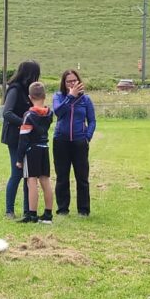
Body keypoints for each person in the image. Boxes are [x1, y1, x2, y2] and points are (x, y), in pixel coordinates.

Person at [52, 69, 96, 216]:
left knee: (82, 177)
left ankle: (83, 210)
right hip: (61, 141)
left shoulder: (86, 100)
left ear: (79, 81)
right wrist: (70, 97)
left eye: (74, 80)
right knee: (62, 177)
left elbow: (92, 121)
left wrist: (87, 137)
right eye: (68, 81)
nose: (72, 83)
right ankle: (62, 209)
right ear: (64, 83)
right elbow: (58, 112)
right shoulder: (58, 97)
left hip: (79, 142)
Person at [1, 60, 41, 219]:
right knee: (17, 173)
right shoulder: (15, 89)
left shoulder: (28, 91)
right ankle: (9, 210)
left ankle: (27, 210)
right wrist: (25, 123)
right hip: (14, 137)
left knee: (28, 174)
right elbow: (7, 113)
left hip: (27, 137)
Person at [16, 81, 54, 224]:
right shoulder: (49, 113)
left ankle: (32, 214)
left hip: (32, 150)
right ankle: (48, 214)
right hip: (44, 147)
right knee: (45, 181)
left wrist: (19, 158)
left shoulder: (28, 115)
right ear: (44, 96)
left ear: (30, 97)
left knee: (31, 181)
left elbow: (23, 139)